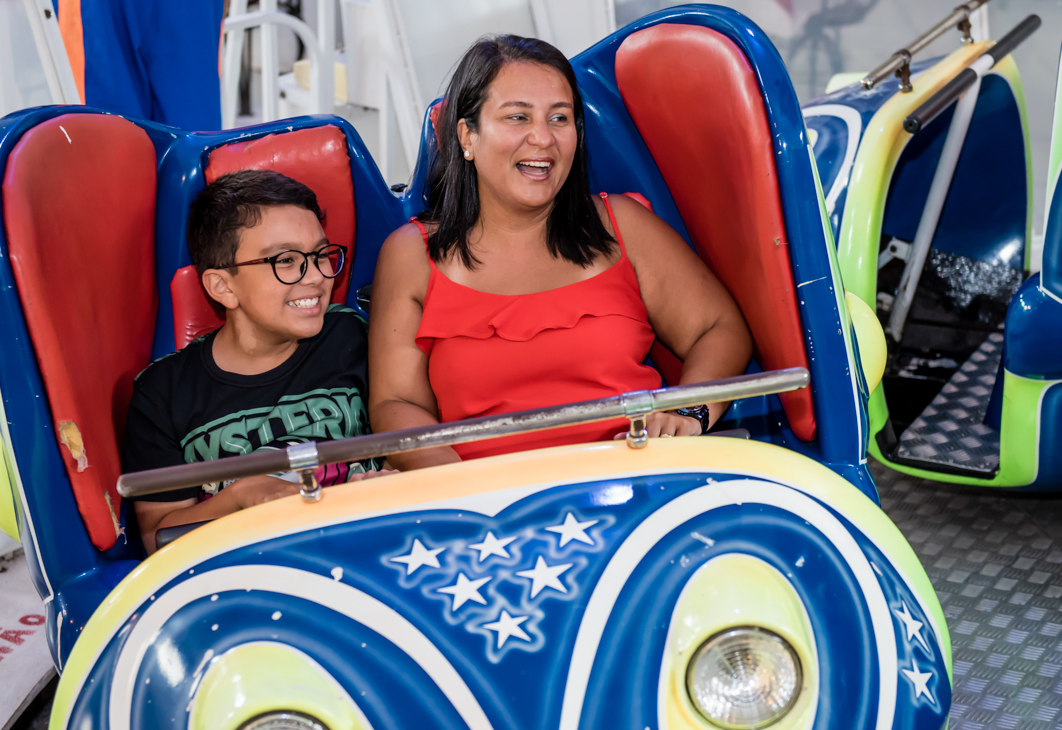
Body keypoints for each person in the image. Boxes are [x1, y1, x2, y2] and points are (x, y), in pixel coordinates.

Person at [368, 35, 753, 469]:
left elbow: (719, 327)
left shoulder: (623, 224)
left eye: (559, 118)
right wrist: (460, 483)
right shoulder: (411, 254)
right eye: (518, 117)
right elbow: (395, 402)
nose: (543, 138)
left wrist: (690, 410)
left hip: (639, 487)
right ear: (467, 137)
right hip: (486, 513)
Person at [124, 169, 386, 553]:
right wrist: (245, 495)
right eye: (286, 260)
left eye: (320, 255)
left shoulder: (351, 335)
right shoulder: (163, 393)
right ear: (223, 286)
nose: (316, 277)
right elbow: (157, 537)